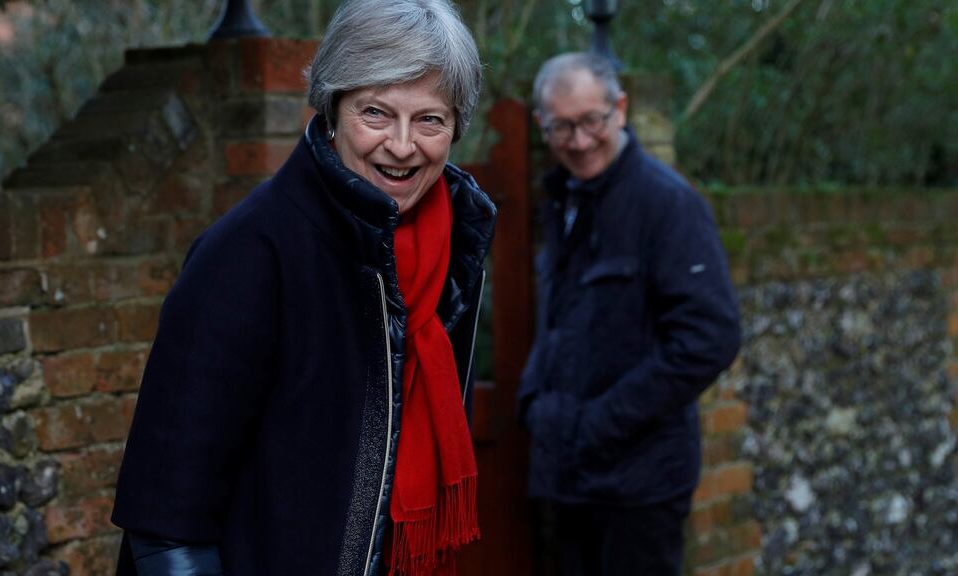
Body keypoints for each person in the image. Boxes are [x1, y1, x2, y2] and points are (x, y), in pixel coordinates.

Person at [110, 1, 495, 574]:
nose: (402, 145)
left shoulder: (449, 247)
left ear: (456, 128)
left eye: (430, 120)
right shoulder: (247, 252)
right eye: (376, 113)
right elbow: (167, 520)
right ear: (332, 107)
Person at [516, 52, 741, 576]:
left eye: (590, 121)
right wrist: (533, 398)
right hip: (571, 476)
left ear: (620, 108)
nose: (578, 141)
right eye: (561, 127)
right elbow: (559, 318)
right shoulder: (564, 199)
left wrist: (598, 423)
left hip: (642, 483)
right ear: (540, 125)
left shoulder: (668, 204)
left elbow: (711, 338)